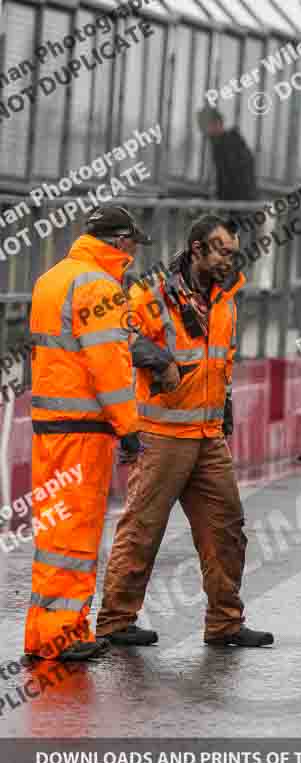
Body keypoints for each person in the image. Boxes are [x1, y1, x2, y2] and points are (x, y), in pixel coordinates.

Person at [95, 215, 274, 648]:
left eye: (233, 253)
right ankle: (116, 622)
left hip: (207, 435)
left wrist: (225, 412)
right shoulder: (153, 291)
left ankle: (225, 623)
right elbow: (116, 333)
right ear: (197, 250)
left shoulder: (225, 299)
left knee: (227, 528)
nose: (231, 260)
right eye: (223, 252)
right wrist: (159, 359)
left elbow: (221, 362)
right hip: (162, 433)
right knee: (142, 529)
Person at [25, 206, 149, 661]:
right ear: (118, 242)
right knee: (75, 535)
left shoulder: (51, 279)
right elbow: (108, 367)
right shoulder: (100, 287)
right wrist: (129, 427)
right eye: (132, 245)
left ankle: (46, 632)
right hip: (83, 432)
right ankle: (65, 636)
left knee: (54, 534)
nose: (134, 255)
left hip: (49, 427)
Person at [197, 107, 257, 203]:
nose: (203, 131)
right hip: (238, 202)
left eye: (204, 126)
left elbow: (232, 177)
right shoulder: (226, 142)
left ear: (217, 123)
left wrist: (219, 198)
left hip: (238, 203)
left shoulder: (228, 144)